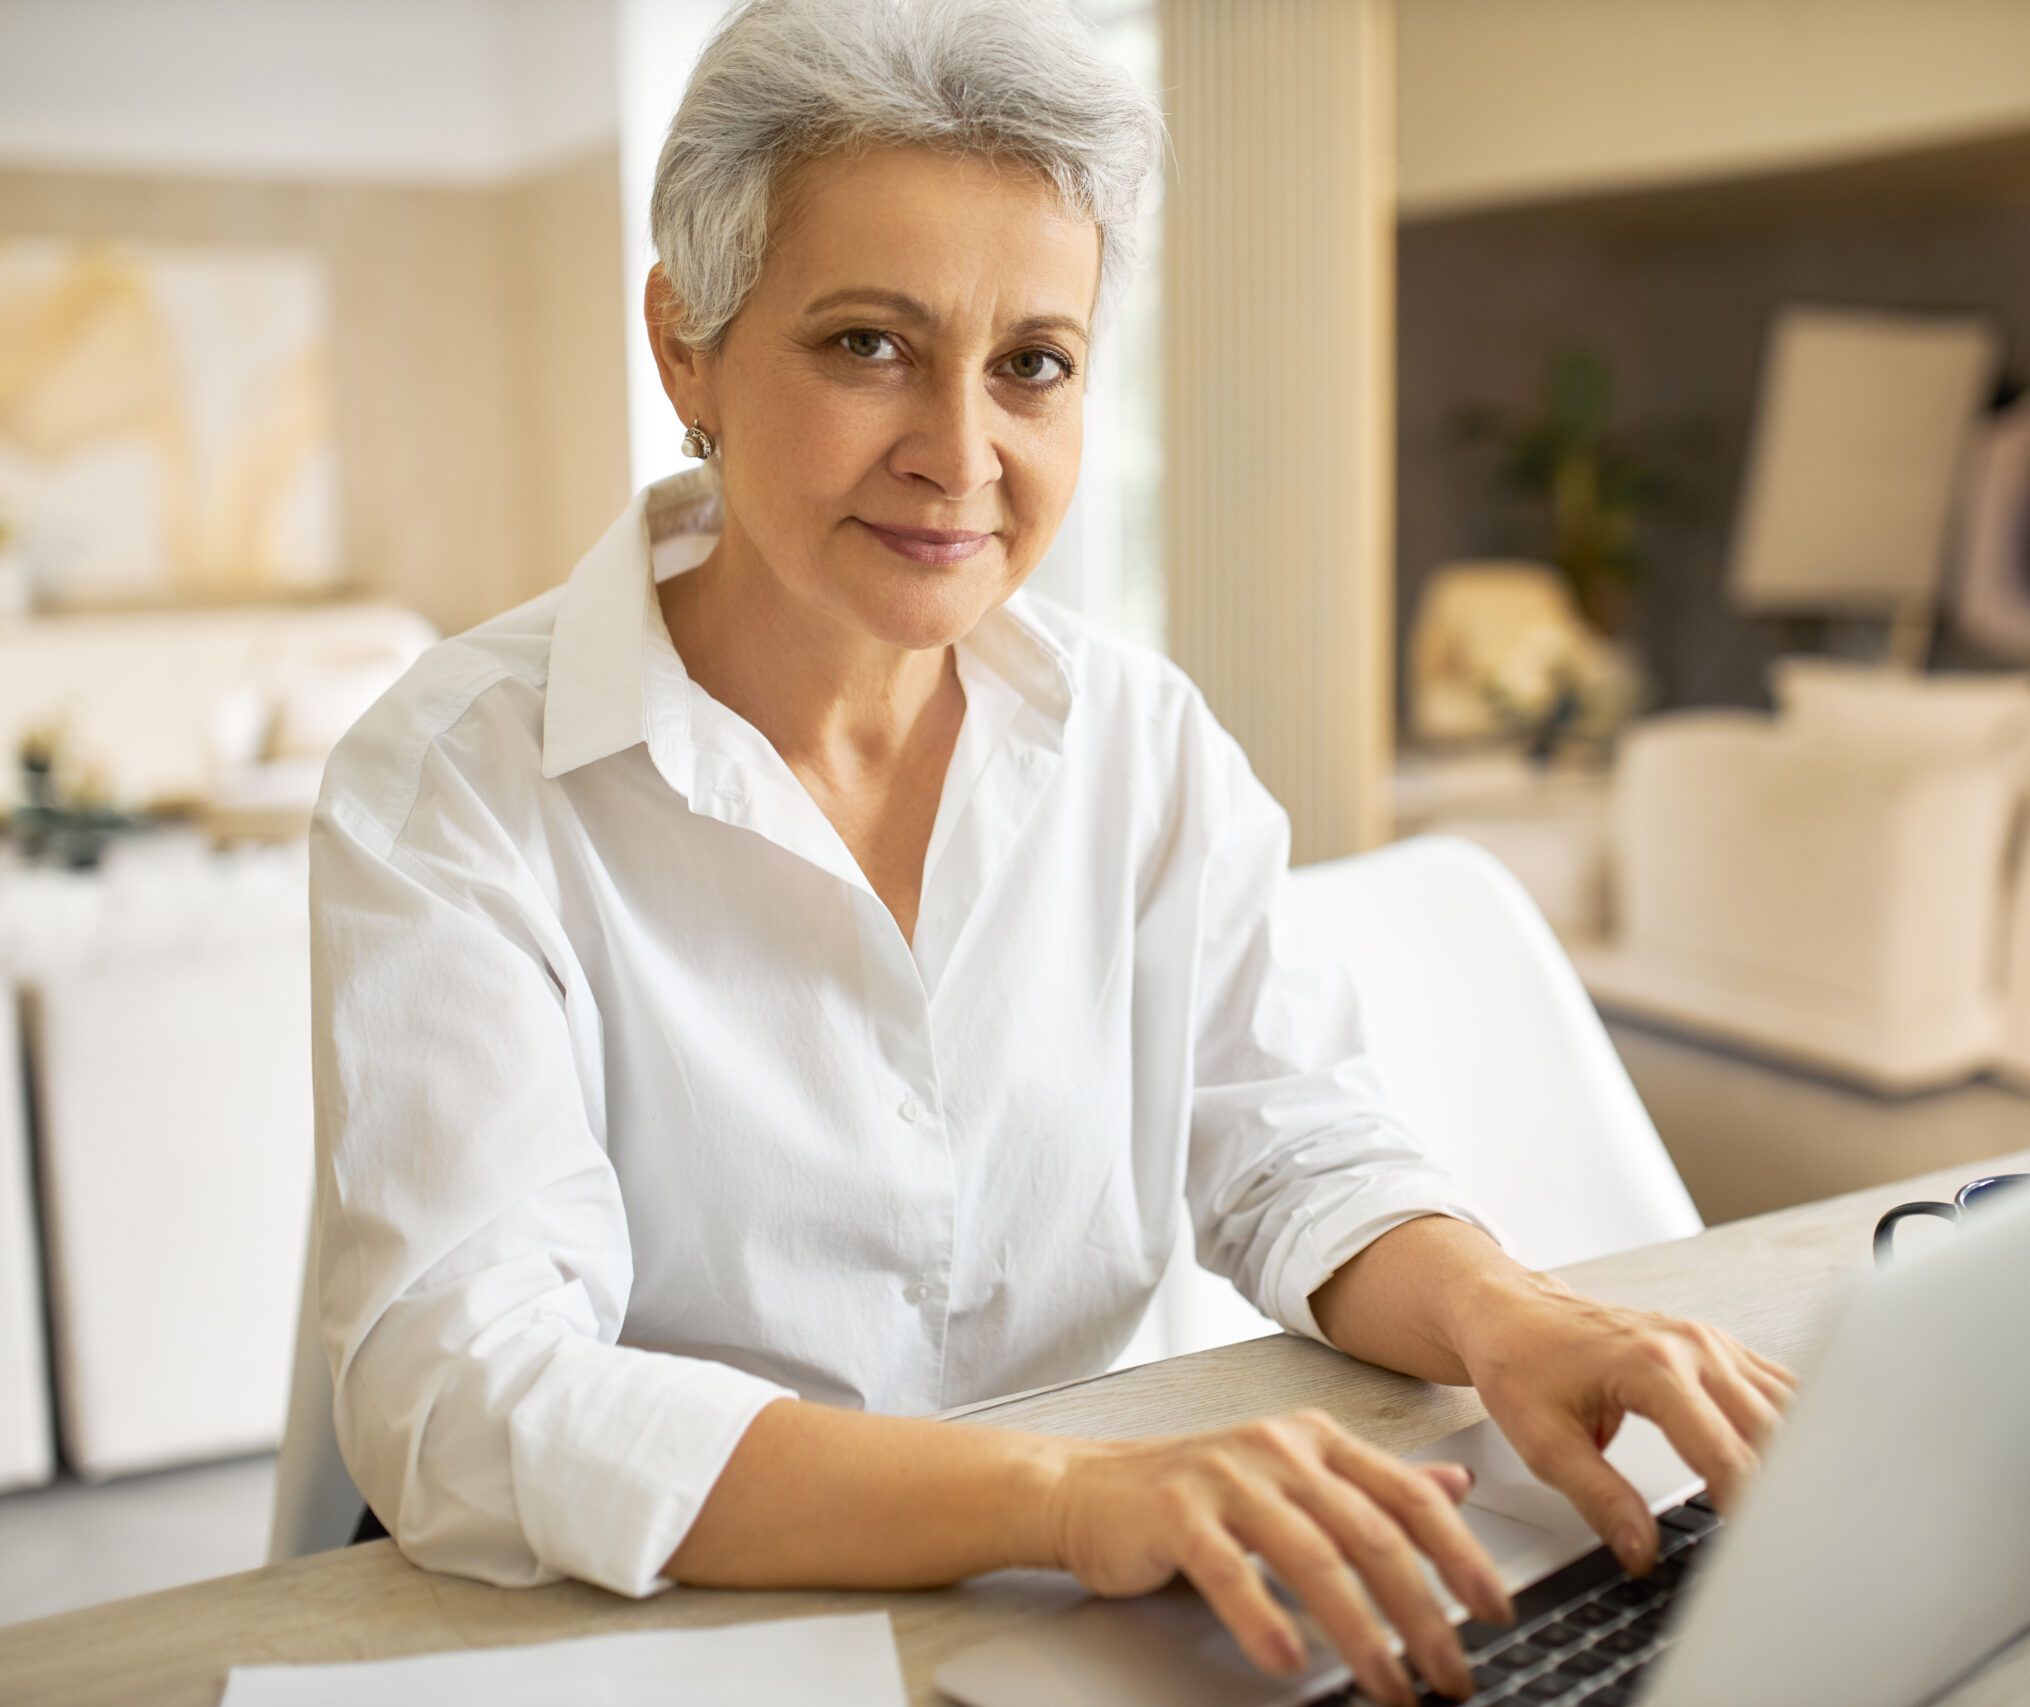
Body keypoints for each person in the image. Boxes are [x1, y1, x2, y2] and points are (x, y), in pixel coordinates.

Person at [307, 3, 1792, 1701]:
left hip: (1066, 1625)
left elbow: (1295, 1151)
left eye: (1033, 363)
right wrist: (1065, 1497)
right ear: (687, 347)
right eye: (869, 344)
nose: (960, 453)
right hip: (668, 1638)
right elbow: (466, 1398)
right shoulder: (454, 781)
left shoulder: (1140, 744)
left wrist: (1511, 1316)